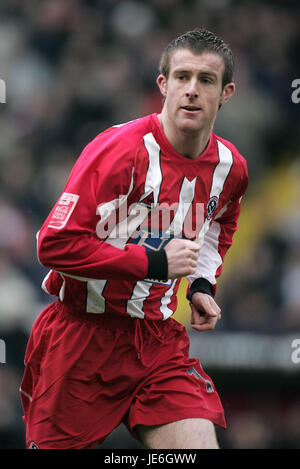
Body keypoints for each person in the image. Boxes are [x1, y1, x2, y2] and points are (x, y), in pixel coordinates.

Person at [20, 28, 248, 449]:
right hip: (80, 340)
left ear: (226, 92)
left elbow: (219, 225)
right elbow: (54, 244)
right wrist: (154, 263)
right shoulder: (119, 150)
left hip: (157, 342)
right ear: (163, 85)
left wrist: (200, 285)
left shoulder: (231, 168)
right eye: (182, 77)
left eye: (206, 79)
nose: (192, 90)